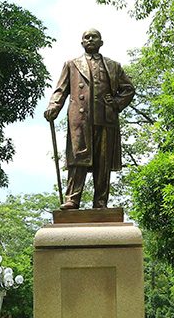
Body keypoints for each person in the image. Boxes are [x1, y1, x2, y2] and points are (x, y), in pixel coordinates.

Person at [44, 28, 135, 209]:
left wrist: (116, 103)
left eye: (94, 37)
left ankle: (100, 202)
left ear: (101, 42)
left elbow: (129, 89)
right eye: (87, 37)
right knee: (78, 159)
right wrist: (54, 106)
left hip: (105, 118)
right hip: (80, 119)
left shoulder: (113, 66)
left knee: (103, 162)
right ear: (82, 42)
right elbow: (61, 90)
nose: (90, 40)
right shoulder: (72, 64)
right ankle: (73, 199)